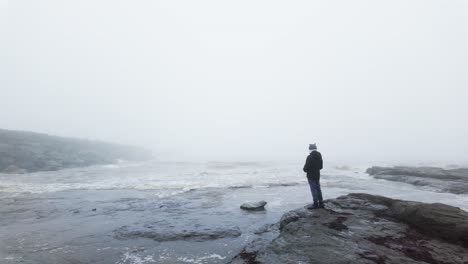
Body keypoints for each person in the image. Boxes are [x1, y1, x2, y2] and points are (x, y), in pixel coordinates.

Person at [303, 143, 324, 209]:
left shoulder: (309, 157)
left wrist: (305, 169)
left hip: (310, 176)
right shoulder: (319, 156)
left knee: (313, 189)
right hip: (317, 175)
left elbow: (305, 169)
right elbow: (321, 167)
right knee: (318, 188)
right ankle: (321, 203)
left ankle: (315, 204)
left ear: (310, 149)